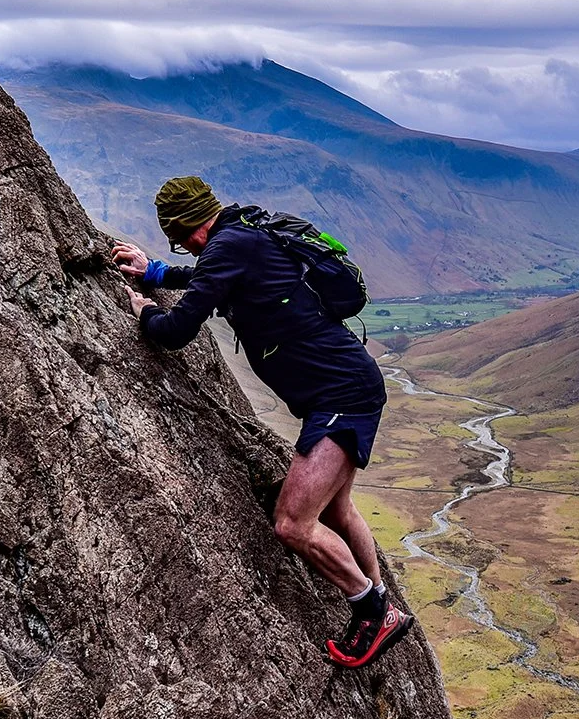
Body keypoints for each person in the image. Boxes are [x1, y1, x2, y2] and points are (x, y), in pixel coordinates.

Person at [113, 176, 415, 668]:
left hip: (340, 396)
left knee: (292, 523)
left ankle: (372, 608)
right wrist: (160, 272)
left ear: (187, 227)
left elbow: (174, 332)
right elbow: (212, 277)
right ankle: (381, 598)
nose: (184, 245)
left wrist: (145, 309)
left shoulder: (228, 245)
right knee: (337, 509)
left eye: (178, 237)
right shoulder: (241, 233)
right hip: (349, 387)